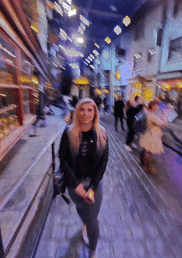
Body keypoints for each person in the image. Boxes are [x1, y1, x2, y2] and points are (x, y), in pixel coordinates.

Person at [58, 98, 109, 258]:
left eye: (90, 110)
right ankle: (85, 224)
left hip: (94, 185)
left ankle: (92, 249)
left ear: (95, 113)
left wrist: (92, 188)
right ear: (77, 111)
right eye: (82, 109)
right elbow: (63, 160)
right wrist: (76, 186)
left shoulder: (102, 134)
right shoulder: (69, 133)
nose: (86, 114)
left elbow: (103, 162)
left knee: (93, 219)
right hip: (75, 185)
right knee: (81, 208)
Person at [139, 101, 169, 174]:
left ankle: (142, 161)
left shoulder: (150, 113)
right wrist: (168, 115)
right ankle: (148, 167)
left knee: (145, 149)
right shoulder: (151, 115)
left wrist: (162, 114)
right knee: (149, 152)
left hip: (148, 133)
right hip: (151, 135)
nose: (158, 107)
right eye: (157, 106)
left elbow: (156, 119)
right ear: (153, 106)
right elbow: (163, 124)